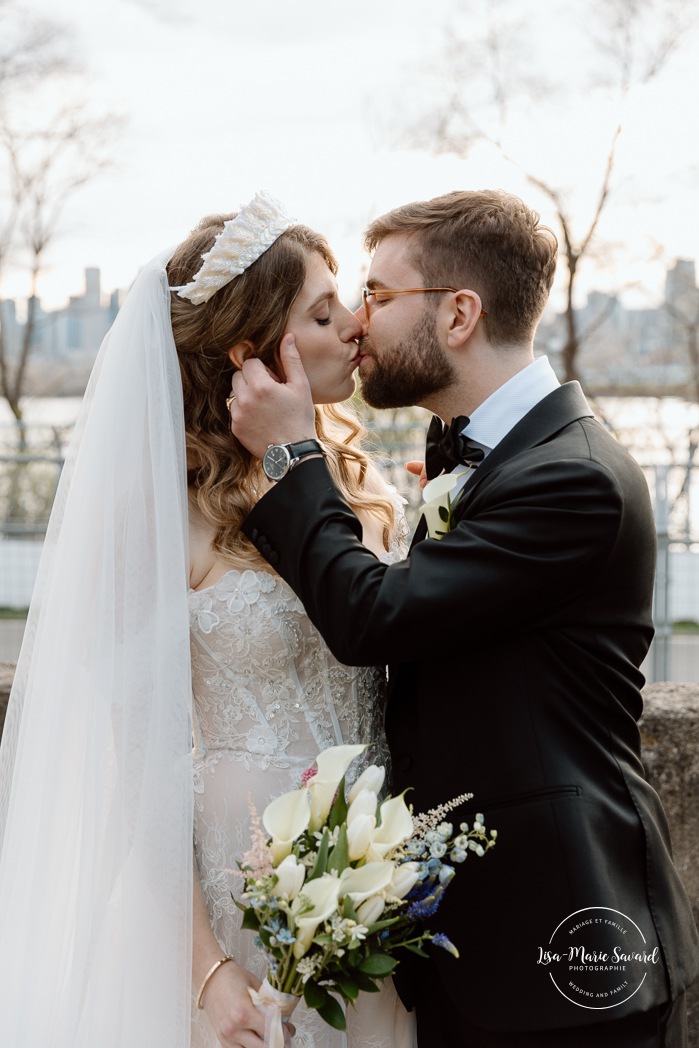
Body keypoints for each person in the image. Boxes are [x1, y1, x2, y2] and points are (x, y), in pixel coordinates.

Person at [228, 189, 699, 1048]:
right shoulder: (486, 456)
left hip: (561, 945)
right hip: (464, 946)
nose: (359, 322)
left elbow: (372, 616)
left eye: (377, 294)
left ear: (457, 314)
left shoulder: (573, 478)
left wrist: (293, 454)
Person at [0, 192, 413, 1048]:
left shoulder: (356, 484)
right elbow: (136, 767)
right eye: (323, 312)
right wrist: (207, 971)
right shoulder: (155, 514)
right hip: (238, 897)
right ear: (251, 350)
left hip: (382, 887)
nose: (354, 329)